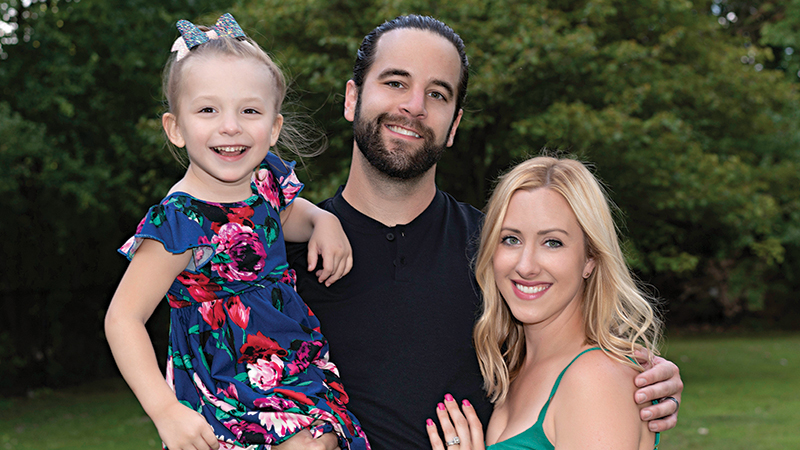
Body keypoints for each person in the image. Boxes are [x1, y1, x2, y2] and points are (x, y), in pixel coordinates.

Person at [287, 14, 683, 450]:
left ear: (454, 124)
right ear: (352, 98)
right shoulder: (271, 262)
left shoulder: (501, 255)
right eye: (396, 83)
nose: (414, 106)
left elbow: (582, 360)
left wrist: (648, 381)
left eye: (437, 93)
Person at [105, 14, 369, 450]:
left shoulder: (264, 183)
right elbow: (123, 319)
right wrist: (165, 410)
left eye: (249, 110)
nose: (230, 126)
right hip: (224, 384)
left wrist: (324, 220)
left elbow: (285, 218)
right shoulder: (179, 220)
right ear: (175, 128)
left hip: (291, 363)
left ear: (273, 128)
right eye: (208, 110)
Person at [427, 156, 665, 449]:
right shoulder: (514, 370)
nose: (526, 266)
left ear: (590, 258)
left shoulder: (595, 380)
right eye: (511, 239)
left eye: (552, 242)